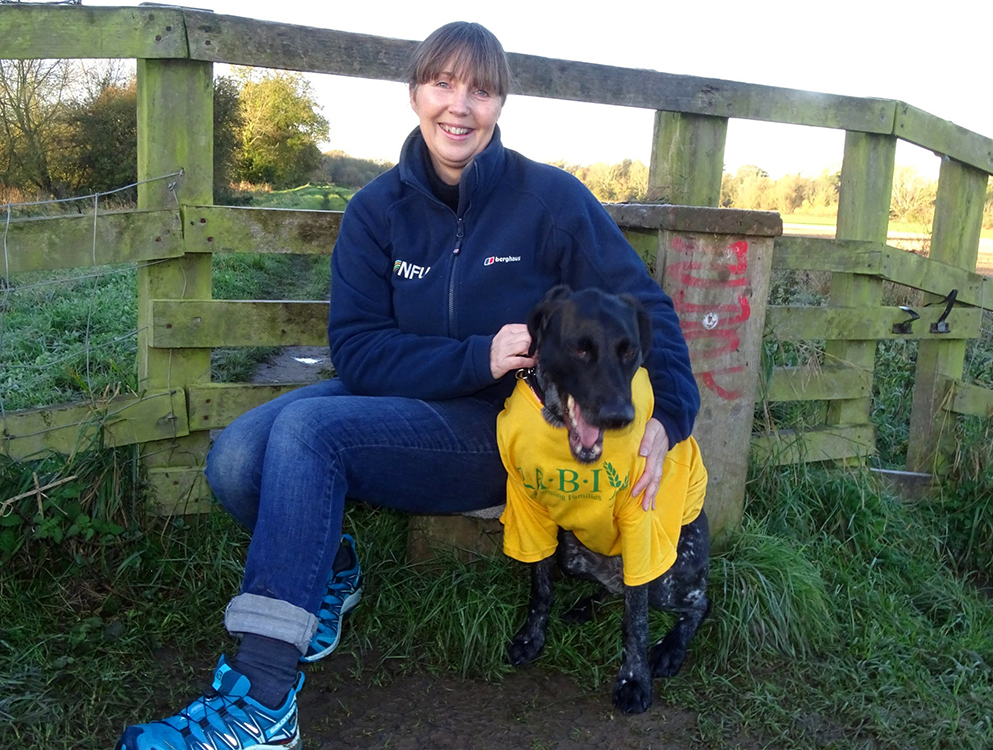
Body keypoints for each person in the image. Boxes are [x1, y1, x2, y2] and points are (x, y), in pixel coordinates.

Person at [116, 20, 700, 750]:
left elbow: (644, 307)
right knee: (235, 458)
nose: (460, 107)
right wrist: (474, 356)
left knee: (309, 432)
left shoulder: (551, 201)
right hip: (415, 395)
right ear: (416, 92)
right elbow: (358, 350)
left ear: (499, 105)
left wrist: (670, 415)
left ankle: (260, 701)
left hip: (502, 431)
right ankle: (330, 572)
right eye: (443, 83)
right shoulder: (375, 211)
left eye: (481, 91)